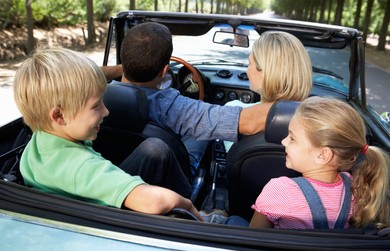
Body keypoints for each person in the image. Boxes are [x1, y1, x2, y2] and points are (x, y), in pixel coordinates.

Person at [13, 46, 203, 220]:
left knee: (155, 148)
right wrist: (189, 207)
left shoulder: (40, 140)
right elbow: (154, 201)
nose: (106, 111)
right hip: (117, 221)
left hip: (88, 210)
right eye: (96, 106)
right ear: (59, 116)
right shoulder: (80, 167)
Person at [108, 22, 273, 180]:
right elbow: (250, 122)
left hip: (115, 171)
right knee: (200, 134)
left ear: (124, 59)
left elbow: (84, 70)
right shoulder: (174, 108)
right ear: (165, 71)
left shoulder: (95, 96)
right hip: (169, 184)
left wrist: (123, 67)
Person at [226, 97, 390, 229]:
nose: (283, 142)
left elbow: (253, 240)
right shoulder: (358, 188)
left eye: (292, 138)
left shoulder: (280, 190)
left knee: (234, 220)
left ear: (322, 155)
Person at [223, 31, 312, 152]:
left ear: (265, 73)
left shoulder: (236, 111)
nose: (247, 70)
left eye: (250, 63)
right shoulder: (316, 118)